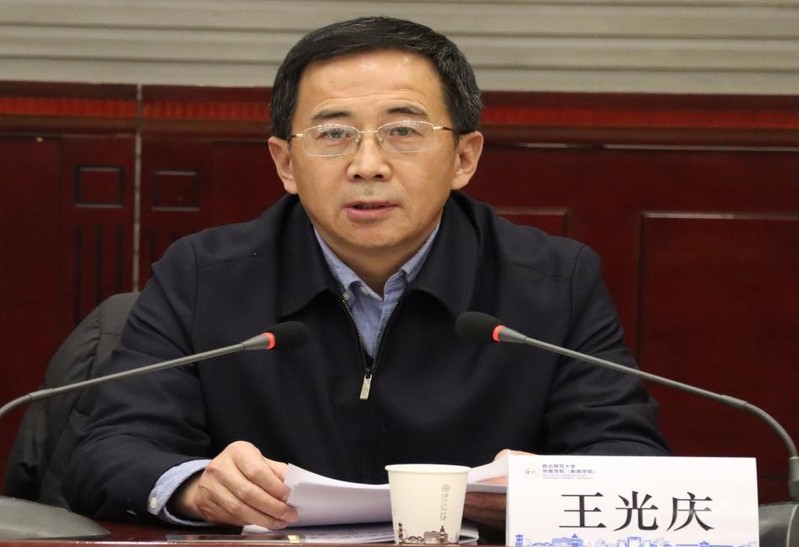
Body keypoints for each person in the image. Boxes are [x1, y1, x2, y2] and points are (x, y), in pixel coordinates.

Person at [63, 15, 669, 537]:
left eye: (403, 131)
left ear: (463, 158)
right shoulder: (203, 275)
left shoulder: (554, 280)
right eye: (333, 134)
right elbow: (107, 453)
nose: (368, 165)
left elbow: (630, 458)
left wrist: (544, 489)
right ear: (285, 163)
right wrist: (196, 486)